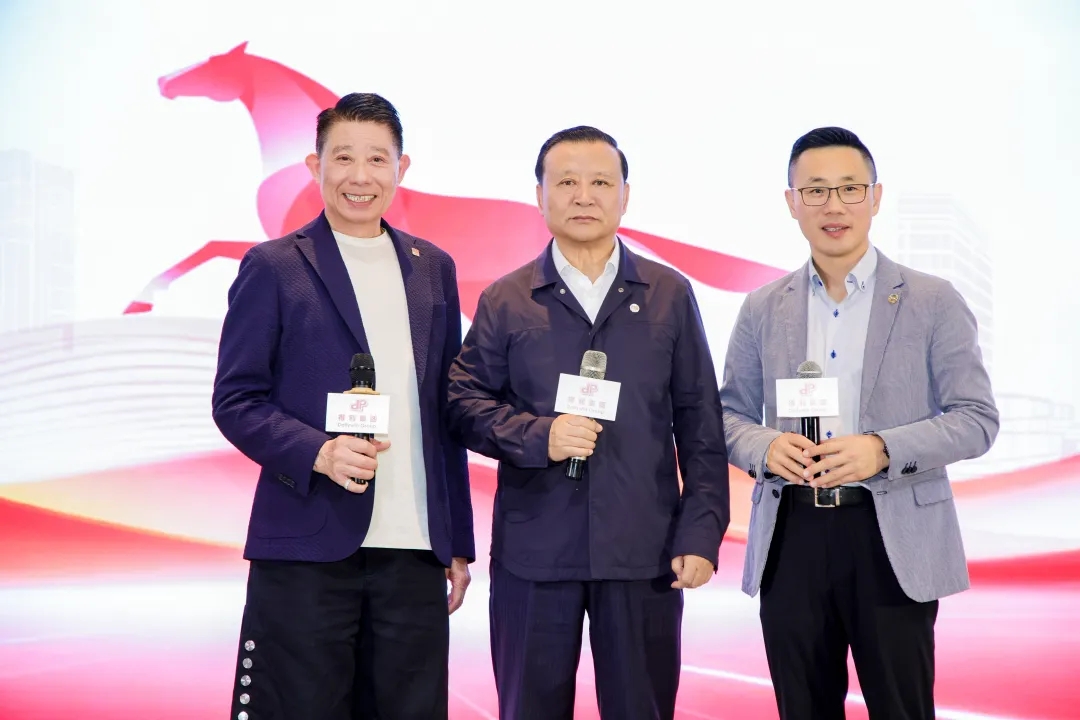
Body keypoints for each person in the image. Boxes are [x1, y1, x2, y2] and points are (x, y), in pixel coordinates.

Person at [447, 126, 730, 720]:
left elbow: (701, 424)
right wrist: (538, 435)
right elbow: (462, 403)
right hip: (534, 552)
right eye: (567, 182)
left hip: (644, 552)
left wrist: (701, 532)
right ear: (540, 195)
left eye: (600, 182)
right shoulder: (507, 299)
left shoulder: (669, 294)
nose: (584, 196)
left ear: (625, 195)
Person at [719, 126, 998, 719]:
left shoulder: (932, 299)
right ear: (791, 202)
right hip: (792, 533)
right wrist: (764, 447)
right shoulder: (763, 307)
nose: (834, 205)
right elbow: (727, 414)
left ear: (875, 197)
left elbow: (976, 419)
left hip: (890, 534)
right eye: (815, 190)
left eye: (850, 188)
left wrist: (882, 448)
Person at [211, 92, 473, 720]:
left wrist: (457, 539)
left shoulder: (433, 269)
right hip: (306, 544)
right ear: (315, 165)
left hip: (414, 549)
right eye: (344, 157)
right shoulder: (274, 266)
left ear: (401, 169)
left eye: (377, 159)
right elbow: (236, 399)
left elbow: (446, 415)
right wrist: (319, 452)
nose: (361, 176)